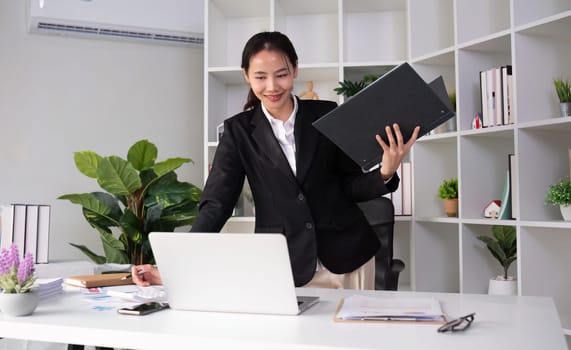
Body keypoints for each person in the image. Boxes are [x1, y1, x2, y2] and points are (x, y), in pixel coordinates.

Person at [132, 31, 419, 289]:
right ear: (246, 75)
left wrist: (384, 171)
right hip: (285, 263)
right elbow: (216, 204)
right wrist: (176, 264)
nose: (272, 86)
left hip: (349, 258)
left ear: (294, 70)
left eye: (281, 74)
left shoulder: (325, 115)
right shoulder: (237, 132)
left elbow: (349, 186)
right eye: (260, 77)